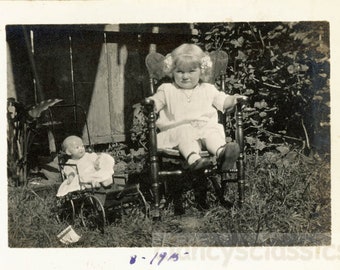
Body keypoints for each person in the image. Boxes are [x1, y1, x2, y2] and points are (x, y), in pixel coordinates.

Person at [149, 43, 247, 171]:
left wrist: (234, 99)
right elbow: (155, 102)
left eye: (191, 71)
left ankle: (222, 154)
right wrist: (151, 103)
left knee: (211, 133)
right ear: (172, 71)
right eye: (180, 71)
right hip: (177, 133)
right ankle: (194, 161)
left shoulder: (208, 89)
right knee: (186, 135)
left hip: (203, 129)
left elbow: (223, 101)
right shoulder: (167, 90)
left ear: (201, 71)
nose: (185, 76)